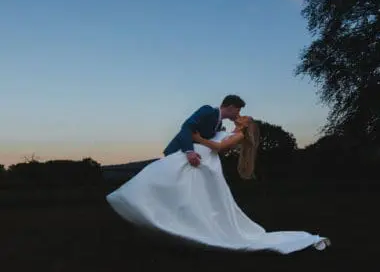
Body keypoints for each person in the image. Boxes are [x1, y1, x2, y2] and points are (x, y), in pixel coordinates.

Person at [106, 115, 331, 254]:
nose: (242, 116)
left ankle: (182, 225)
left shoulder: (240, 135)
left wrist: (197, 139)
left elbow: (220, 148)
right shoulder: (227, 128)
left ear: (247, 125)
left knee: (193, 196)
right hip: (198, 157)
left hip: (205, 159)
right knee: (177, 188)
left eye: (246, 117)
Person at [163, 94, 245, 167]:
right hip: (177, 154)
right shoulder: (208, 110)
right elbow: (187, 127)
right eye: (238, 111)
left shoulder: (219, 124)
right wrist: (189, 151)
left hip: (193, 159)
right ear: (231, 108)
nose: (238, 114)